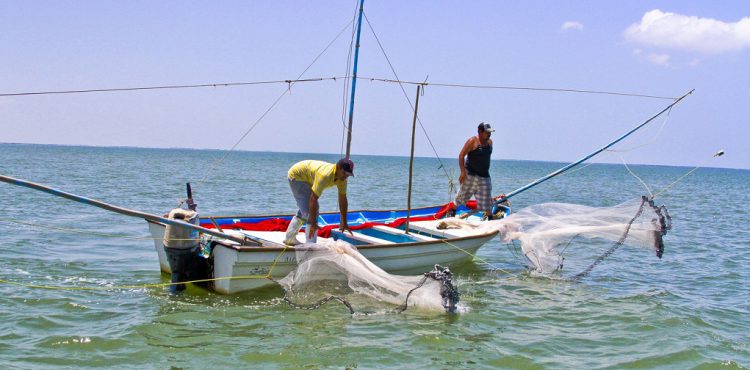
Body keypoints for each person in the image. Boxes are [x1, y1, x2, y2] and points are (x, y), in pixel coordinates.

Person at [284, 158, 354, 245]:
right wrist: (313, 223)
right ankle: (310, 243)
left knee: (307, 209)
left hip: (309, 177)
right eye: (344, 173)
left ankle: (290, 237)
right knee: (310, 211)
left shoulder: (342, 179)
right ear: (338, 167)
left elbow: (343, 199)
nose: (345, 177)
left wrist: (345, 222)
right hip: (297, 176)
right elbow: (313, 199)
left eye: (348, 175)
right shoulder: (325, 175)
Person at [449, 122, 495, 219]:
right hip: (470, 175)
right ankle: (452, 212)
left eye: (490, 132)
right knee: (461, 197)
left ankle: (490, 218)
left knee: (487, 201)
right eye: (487, 132)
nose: (489, 134)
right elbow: (461, 155)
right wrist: (462, 172)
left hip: (484, 176)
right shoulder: (472, 141)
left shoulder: (490, 143)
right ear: (480, 131)